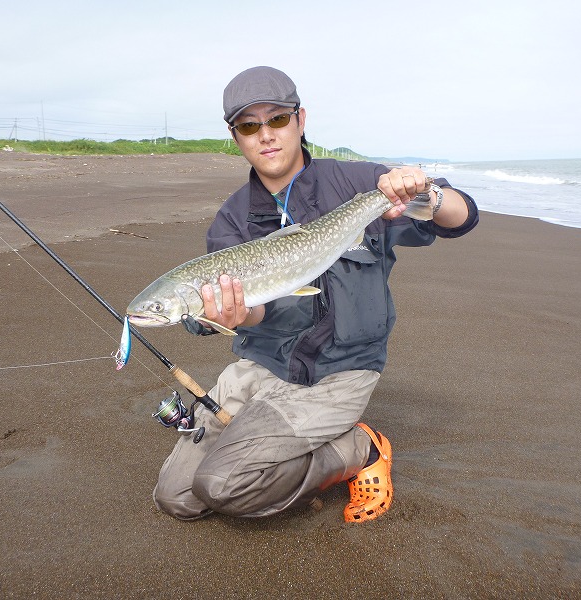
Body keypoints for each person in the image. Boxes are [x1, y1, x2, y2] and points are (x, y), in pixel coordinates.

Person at [154, 66, 478, 523]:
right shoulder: (232, 221)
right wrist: (235, 317)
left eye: (278, 120)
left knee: (223, 485)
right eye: (249, 126)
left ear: (300, 120)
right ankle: (271, 447)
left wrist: (427, 192)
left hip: (342, 373)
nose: (266, 135)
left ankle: (359, 448)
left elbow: (464, 218)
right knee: (178, 499)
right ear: (236, 137)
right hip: (263, 368)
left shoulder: (358, 183)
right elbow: (245, 314)